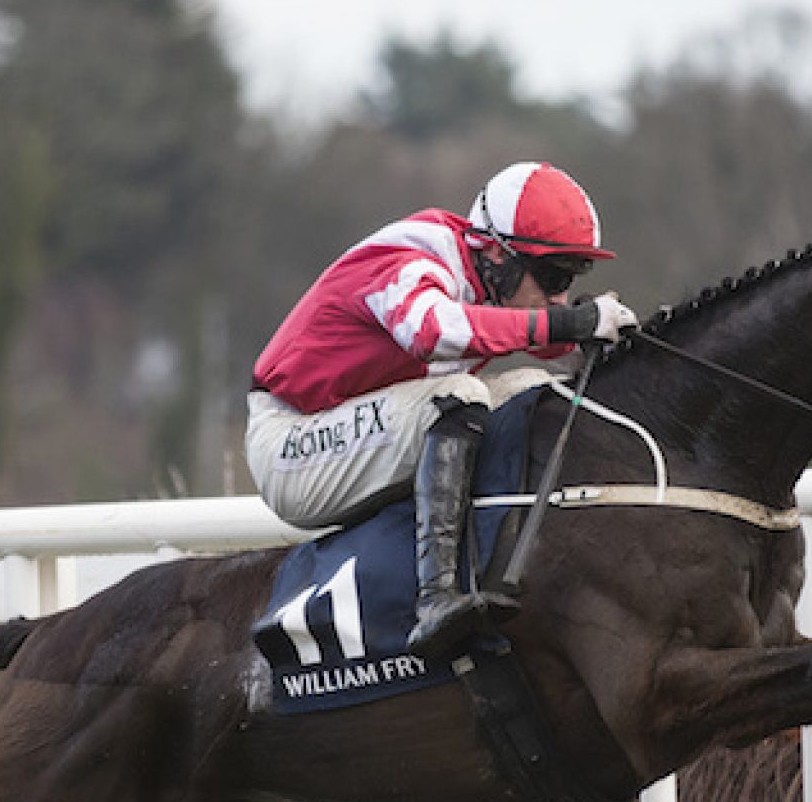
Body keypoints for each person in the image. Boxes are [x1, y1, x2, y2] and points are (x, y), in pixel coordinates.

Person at [247, 161, 639, 659]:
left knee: (534, 390)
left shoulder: (487, 274)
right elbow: (434, 333)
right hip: (291, 444)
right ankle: (437, 600)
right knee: (461, 396)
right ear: (497, 253)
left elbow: (543, 342)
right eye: (552, 275)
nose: (559, 294)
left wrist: (613, 337)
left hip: (360, 427)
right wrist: (567, 322)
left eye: (572, 276)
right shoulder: (409, 256)